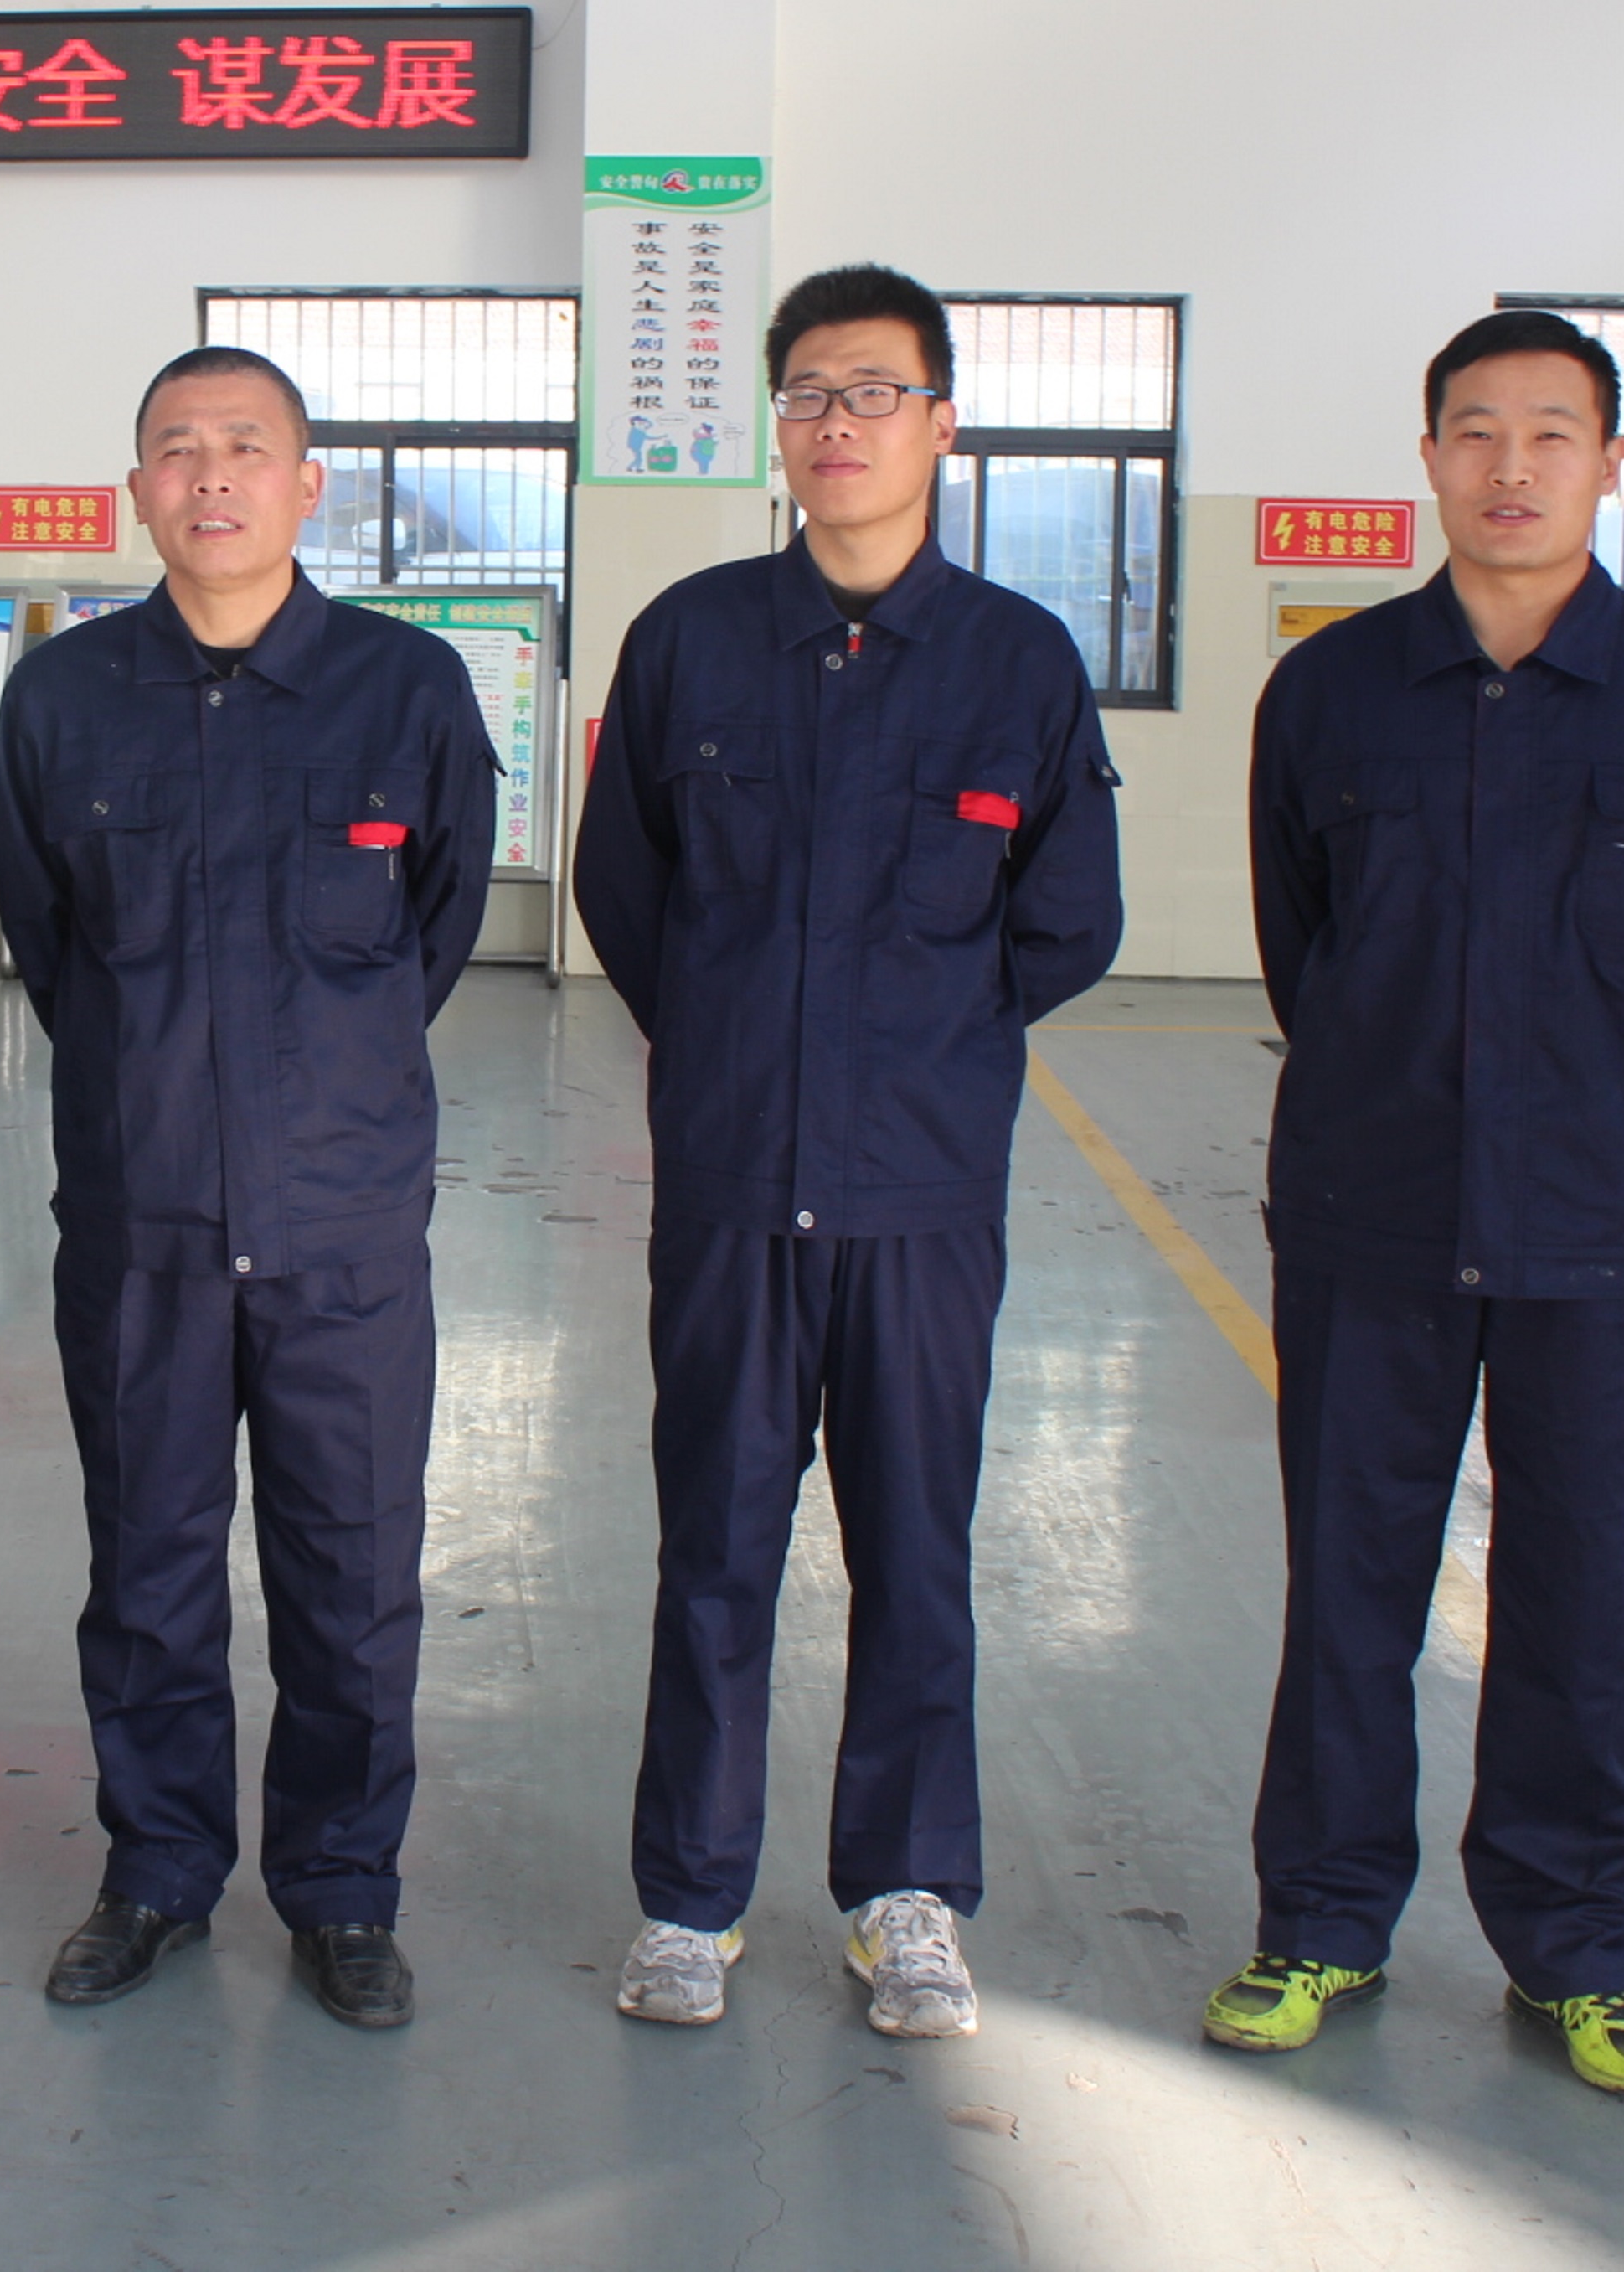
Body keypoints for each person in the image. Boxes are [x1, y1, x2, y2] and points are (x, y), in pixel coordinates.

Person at [1203, 309, 1624, 2097]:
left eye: (1550, 433)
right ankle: (1321, 1920)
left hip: (1602, 1224)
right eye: (1475, 430)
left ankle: (1576, 1951)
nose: (1511, 466)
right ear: (1430, 458)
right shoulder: (1333, 691)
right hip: (1371, 1206)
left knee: (1577, 1593)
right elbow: (1303, 945)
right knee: (1349, 1583)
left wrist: (1584, 1096)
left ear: (1611, 464)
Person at [574, 265, 1123, 2036]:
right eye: (809, 391)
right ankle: (689, 1899)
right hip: (733, 1182)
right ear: (778, 423)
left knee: (916, 1550)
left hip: (922, 1196)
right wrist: (737, 1038)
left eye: (876, 391)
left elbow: (1070, 915)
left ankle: (908, 1893)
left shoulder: (1020, 662)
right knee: (716, 1548)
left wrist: (923, 1045)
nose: (839, 423)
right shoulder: (691, 640)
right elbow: (626, 889)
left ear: (941, 424)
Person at [0, 346, 498, 2030]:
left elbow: (434, 931)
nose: (212, 474)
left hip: (345, 1226)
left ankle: (343, 1892)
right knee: (147, 1566)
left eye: (246, 446)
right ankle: (156, 1873)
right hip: (141, 1223)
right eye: (178, 447)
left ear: (305, 483)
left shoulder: (406, 692)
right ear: (138, 487)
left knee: (353, 1572)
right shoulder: (64, 700)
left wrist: (320, 1092)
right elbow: (51, 941)